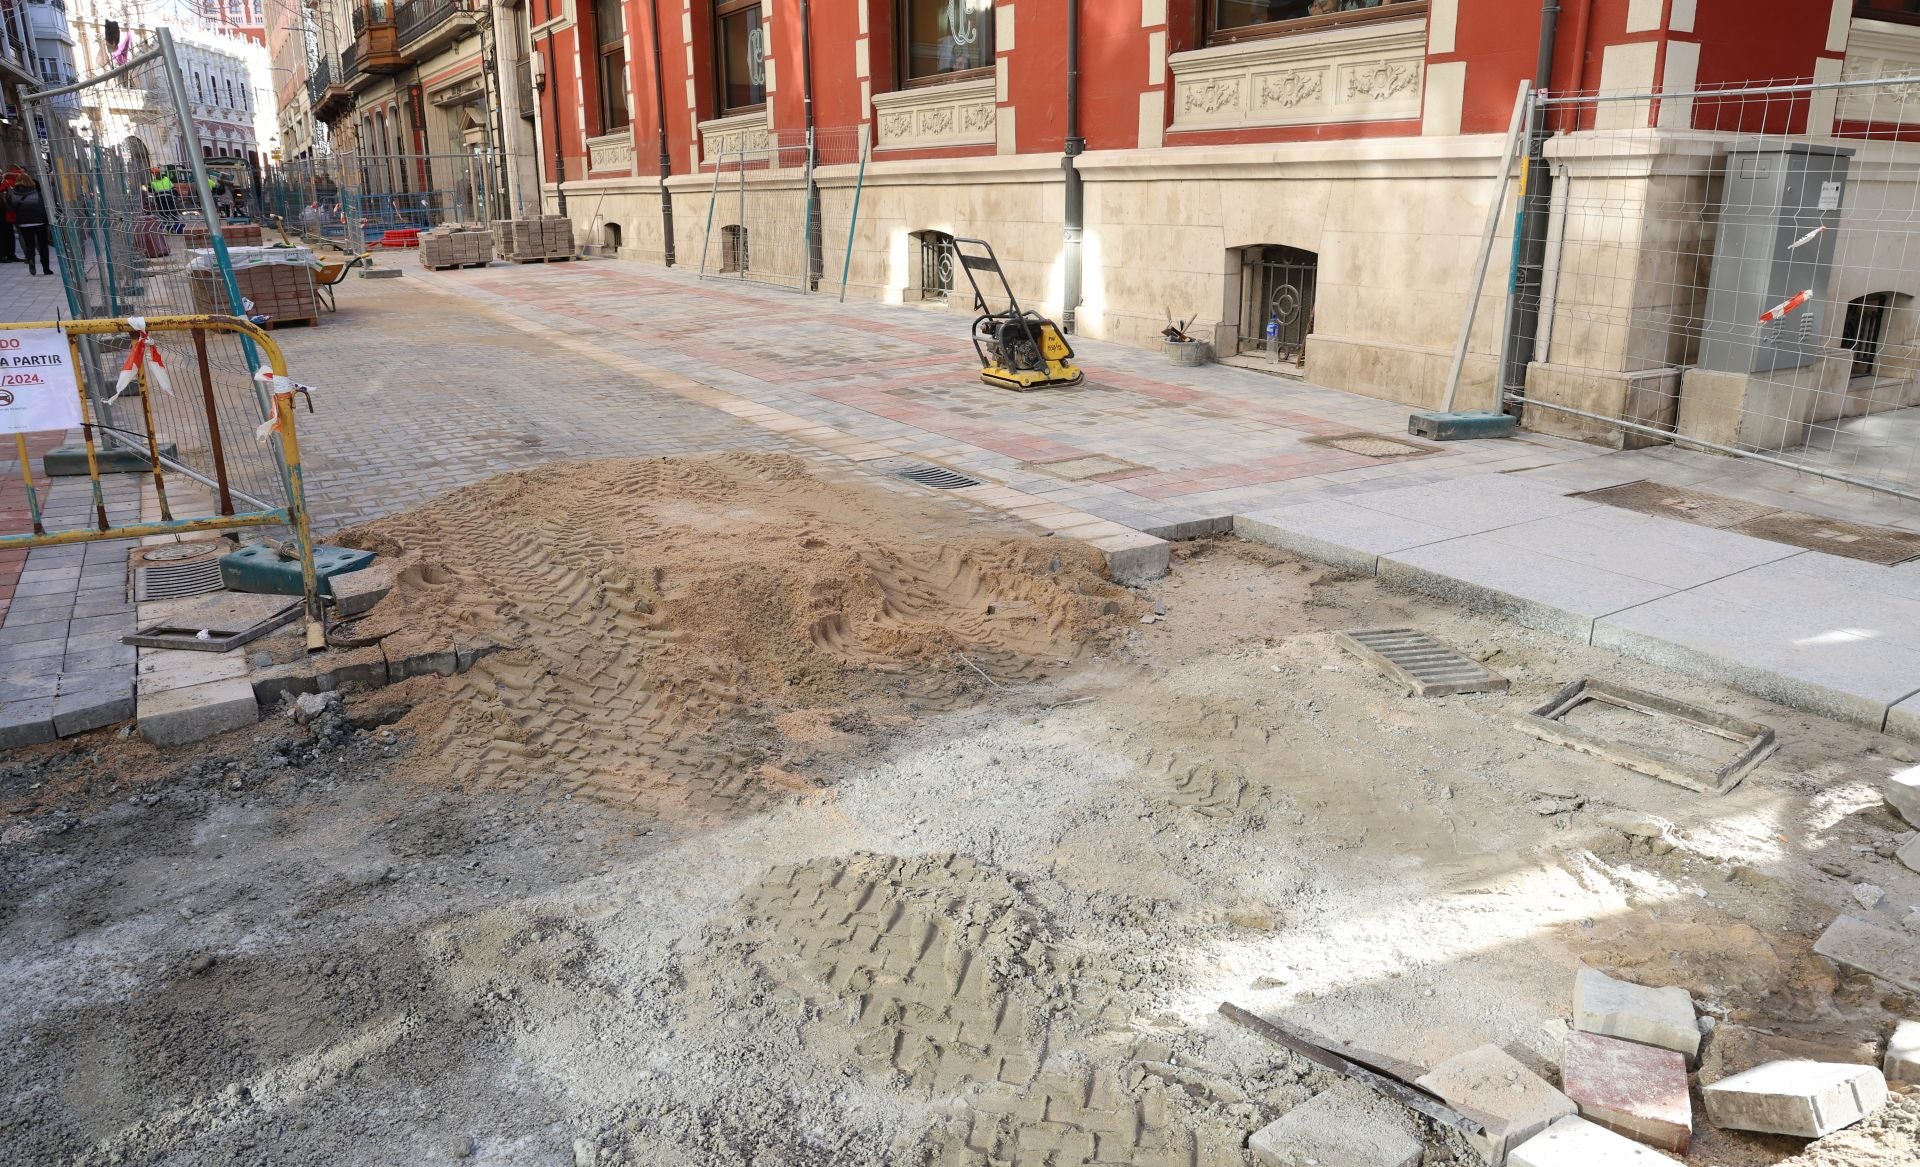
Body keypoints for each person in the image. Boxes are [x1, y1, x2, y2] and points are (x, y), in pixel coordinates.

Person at [7, 175, 54, 277]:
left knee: (29, 245)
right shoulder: (36, 192)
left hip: (24, 223)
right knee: (43, 246)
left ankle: (31, 260)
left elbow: (10, 208)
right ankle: (46, 268)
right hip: (39, 222)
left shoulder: (12, 193)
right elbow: (43, 207)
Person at [0, 165, 23, 263]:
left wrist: (8, 174)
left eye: (1, 173)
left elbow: (22, 176)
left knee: (9, 233)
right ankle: (2, 255)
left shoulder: (6, 181)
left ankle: (11, 254)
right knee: (1, 234)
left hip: (6, 210)